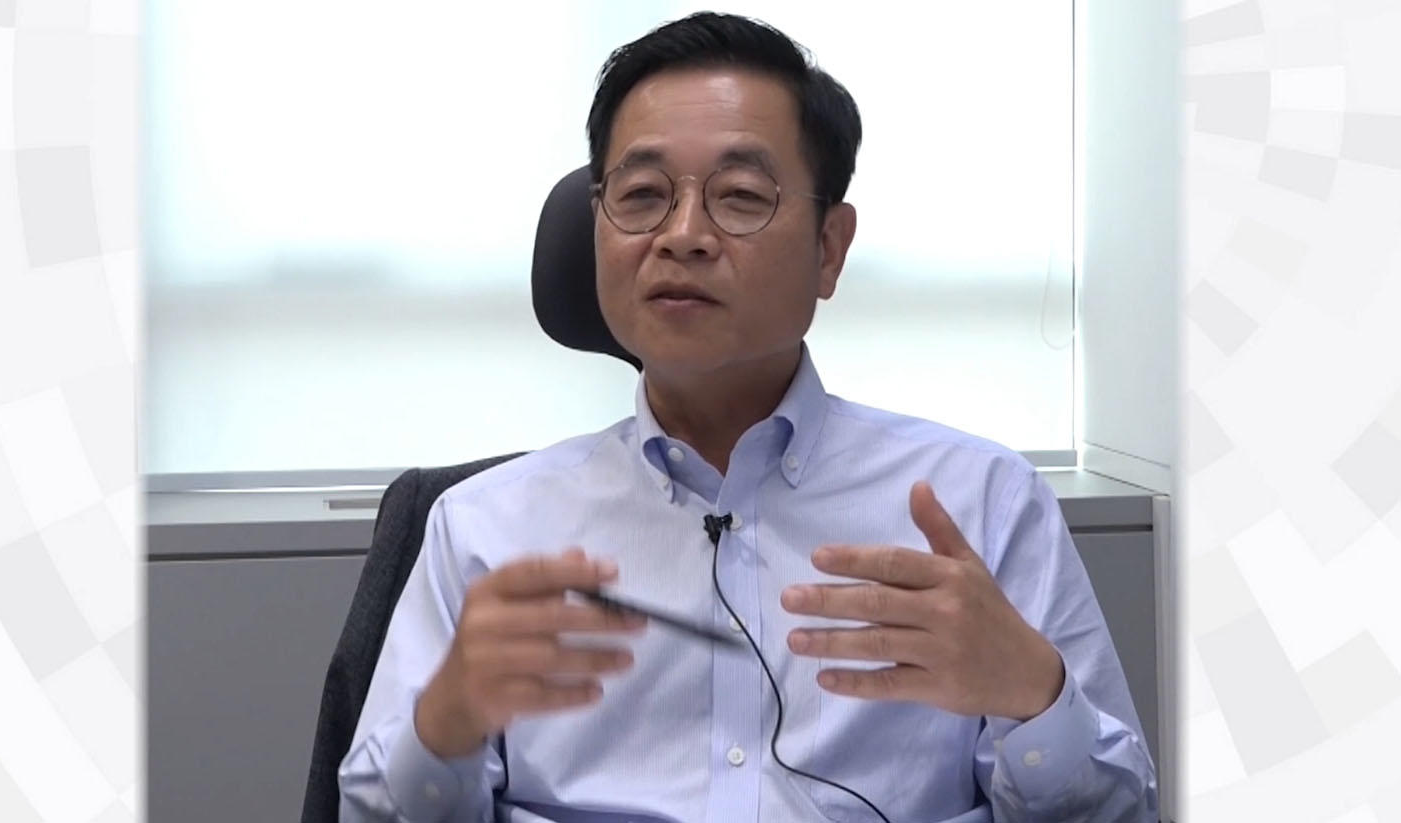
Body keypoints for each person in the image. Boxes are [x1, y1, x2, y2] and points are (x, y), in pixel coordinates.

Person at [339, 11, 1157, 822]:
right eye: (642, 196)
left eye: (738, 197)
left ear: (828, 248)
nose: (682, 235)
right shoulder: (486, 528)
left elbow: (1118, 813)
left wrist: (1031, 696)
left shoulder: (979, 504)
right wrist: (443, 725)